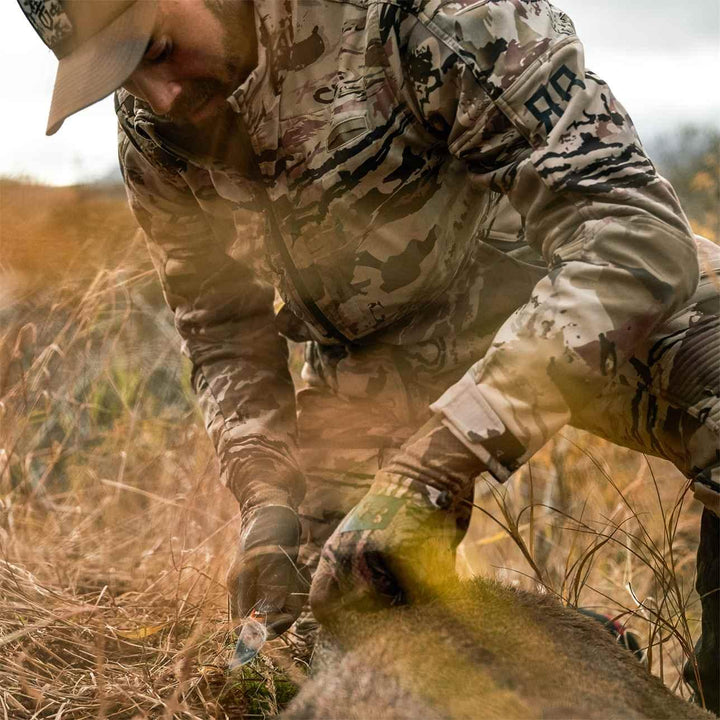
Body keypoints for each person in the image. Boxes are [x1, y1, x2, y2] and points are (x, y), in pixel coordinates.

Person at [17, 0, 719, 711]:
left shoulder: (425, 13)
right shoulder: (157, 128)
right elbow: (221, 329)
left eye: (157, 49)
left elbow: (632, 236)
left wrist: (434, 463)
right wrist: (268, 500)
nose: (158, 96)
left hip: (553, 284)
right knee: (341, 599)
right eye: (120, 77)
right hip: (378, 357)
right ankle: (586, 651)